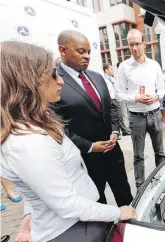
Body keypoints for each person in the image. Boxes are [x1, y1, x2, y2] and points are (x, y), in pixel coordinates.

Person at [0, 41, 136, 242]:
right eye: (53, 74)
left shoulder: (37, 122)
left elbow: (38, 187)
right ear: (29, 81)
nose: (60, 81)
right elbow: (67, 205)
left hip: (82, 221)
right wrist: (118, 213)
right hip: (72, 230)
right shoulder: (28, 142)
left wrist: (29, 215)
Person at [54, 30, 132, 205]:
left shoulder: (97, 77)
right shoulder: (54, 82)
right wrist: (90, 147)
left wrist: (115, 131)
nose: (87, 56)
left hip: (113, 151)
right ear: (63, 50)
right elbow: (58, 127)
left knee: (125, 194)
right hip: (85, 159)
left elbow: (110, 106)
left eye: (89, 52)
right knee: (97, 203)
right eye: (81, 51)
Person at [116, 29, 165, 190]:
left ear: (144, 44)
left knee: (160, 153)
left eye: (137, 44)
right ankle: (140, 188)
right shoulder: (124, 67)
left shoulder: (154, 65)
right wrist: (135, 98)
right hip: (136, 117)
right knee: (138, 156)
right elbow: (118, 94)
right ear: (128, 46)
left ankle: (162, 182)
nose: (135, 48)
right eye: (131, 45)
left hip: (155, 113)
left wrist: (156, 97)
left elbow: (162, 88)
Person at [103, 63, 131, 136]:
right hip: (110, 99)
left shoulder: (112, 79)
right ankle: (116, 132)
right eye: (111, 69)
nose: (112, 70)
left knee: (120, 115)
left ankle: (124, 130)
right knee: (113, 117)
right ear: (106, 70)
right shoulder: (103, 79)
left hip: (116, 99)